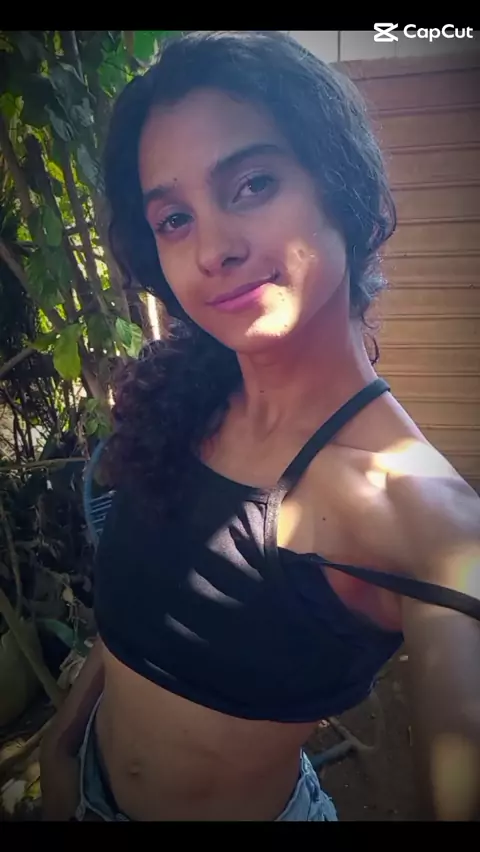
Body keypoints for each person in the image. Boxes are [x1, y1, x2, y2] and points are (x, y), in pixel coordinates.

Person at [40, 31, 480, 822]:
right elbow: (143, 605)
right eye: (175, 218)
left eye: (252, 184)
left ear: (341, 185)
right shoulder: (186, 401)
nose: (213, 248)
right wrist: (60, 745)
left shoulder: (424, 518)